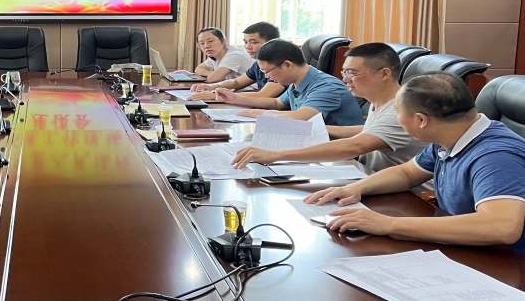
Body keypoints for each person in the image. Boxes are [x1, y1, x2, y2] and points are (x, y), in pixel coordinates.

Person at [305, 73, 525, 252]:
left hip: (507, 263)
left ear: (421, 120)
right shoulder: (451, 136)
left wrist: (388, 224)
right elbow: (407, 173)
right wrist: (354, 189)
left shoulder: (496, 157)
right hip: (464, 245)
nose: (398, 119)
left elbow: (501, 227)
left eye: (398, 113)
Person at [230, 43, 426, 170]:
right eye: (344, 72)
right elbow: (366, 130)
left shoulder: (399, 111)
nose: (345, 79)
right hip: (368, 175)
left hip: (406, 197)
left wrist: (276, 155)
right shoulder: (381, 104)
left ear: (384, 74)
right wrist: (320, 129)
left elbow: (354, 145)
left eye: (352, 73)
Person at [214, 38, 363, 125]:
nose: (267, 77)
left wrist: (260, 114)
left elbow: (300, 117)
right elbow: (277, 103)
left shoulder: (326, 87)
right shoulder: (297, 80)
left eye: (267, 71)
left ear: (287, 65)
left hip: (339, 153)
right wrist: (236, 99)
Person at [189, 21, 285, 100]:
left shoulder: (280, 65)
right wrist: (211, 87)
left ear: (272, 43)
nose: (248, 47)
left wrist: (217, 95)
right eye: (246, 42)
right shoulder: (257, 64)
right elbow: (236, 82)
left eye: (254, 42)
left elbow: (263, 95)